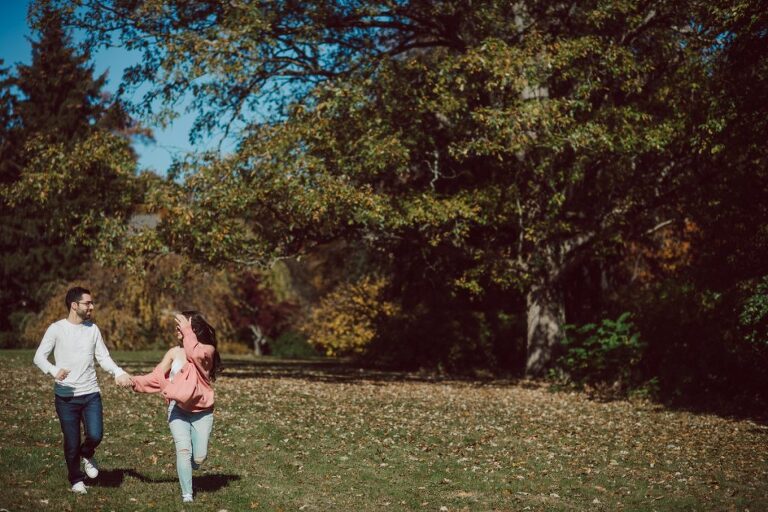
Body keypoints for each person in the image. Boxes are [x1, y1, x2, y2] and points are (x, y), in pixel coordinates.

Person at [33, 286, 133, 494]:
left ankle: (87, 453)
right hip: (66, 397)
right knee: (71, 442)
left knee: (96, 434)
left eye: (91, 303)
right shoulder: (56, 329)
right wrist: (54, 370)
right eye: (88, 303)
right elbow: (39, 357)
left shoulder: (92, 329)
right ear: (74, 305)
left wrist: (118, 372)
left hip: (90, 394)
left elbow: (103, 357)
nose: (92, 307)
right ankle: (76, 479)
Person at [130, 310, 221, 503]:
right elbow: (156, 376)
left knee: (199, 457)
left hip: (202, 412)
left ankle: (191, 466)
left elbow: (194, 355)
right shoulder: (173, 352)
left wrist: (187, 331)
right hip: (177, 410)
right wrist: (134, 382)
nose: (177, 330)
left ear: (192, 329)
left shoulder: (207, 350)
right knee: (183, 450)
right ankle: (187, 495)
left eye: (180, 326)